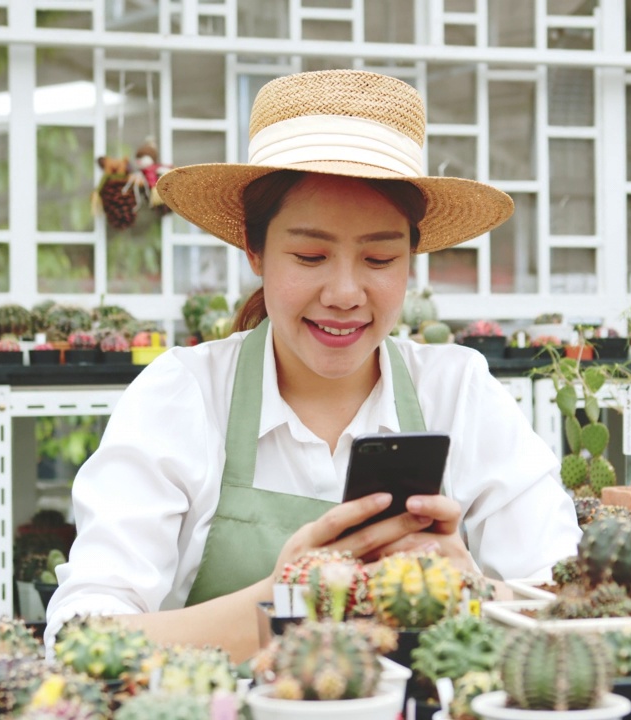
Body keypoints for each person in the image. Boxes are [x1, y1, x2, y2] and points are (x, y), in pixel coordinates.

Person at [45, 69, 580, 658]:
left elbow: (571, 601)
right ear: (254, 249)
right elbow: (80, 636)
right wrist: (281, 601)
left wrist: (476, 591)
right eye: (309, 254)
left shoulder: (458, 392)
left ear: (411, 259)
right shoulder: (186, 397)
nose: (345, 292)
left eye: (379, 257)